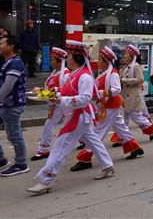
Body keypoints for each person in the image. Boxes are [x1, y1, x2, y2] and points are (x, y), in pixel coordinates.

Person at [27, 40, 114, 195]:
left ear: (76, 57)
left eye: (69, 56)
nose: (66, 59)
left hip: (78, 116)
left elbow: (85, 99)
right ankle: (107, 165)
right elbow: (65, 92)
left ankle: (46, 180)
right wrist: (45, 93)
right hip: (76, 115)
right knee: (93, 142)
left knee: (61, 147)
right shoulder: (74, 74)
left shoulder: (84, 76)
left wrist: (61, 100)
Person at [71, 46, 144, 172]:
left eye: (99, 59)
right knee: (121, 128)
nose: (97, 62)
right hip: (108, 106)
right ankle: (135, 148)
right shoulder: (104, 73)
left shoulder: (113, 73)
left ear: (106, 61)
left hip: (110, 106)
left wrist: (99, 93)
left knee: (97, 133)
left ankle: (85, 158)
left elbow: (116, 89)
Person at [0, 35, 29, 176]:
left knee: (14, 136)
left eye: (2, 43)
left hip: (12, 106)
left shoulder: (15, 63)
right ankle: (0, 159)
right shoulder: (7, 63)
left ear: (11, 46)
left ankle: (21, 164)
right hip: (1, 105)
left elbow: (8, 86)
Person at [31, 47, 70, 161]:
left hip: (61, 105)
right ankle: (84, 141)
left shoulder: (66, 74)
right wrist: (42, 91)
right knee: (74, 125)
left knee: (49, 125)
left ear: (59, 61)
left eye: (53, 60)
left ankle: (44, 149)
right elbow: (51, 88)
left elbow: (64, 90)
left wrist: (42, 93)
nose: (51, 62)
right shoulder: (54, 73)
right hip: (54, 104)